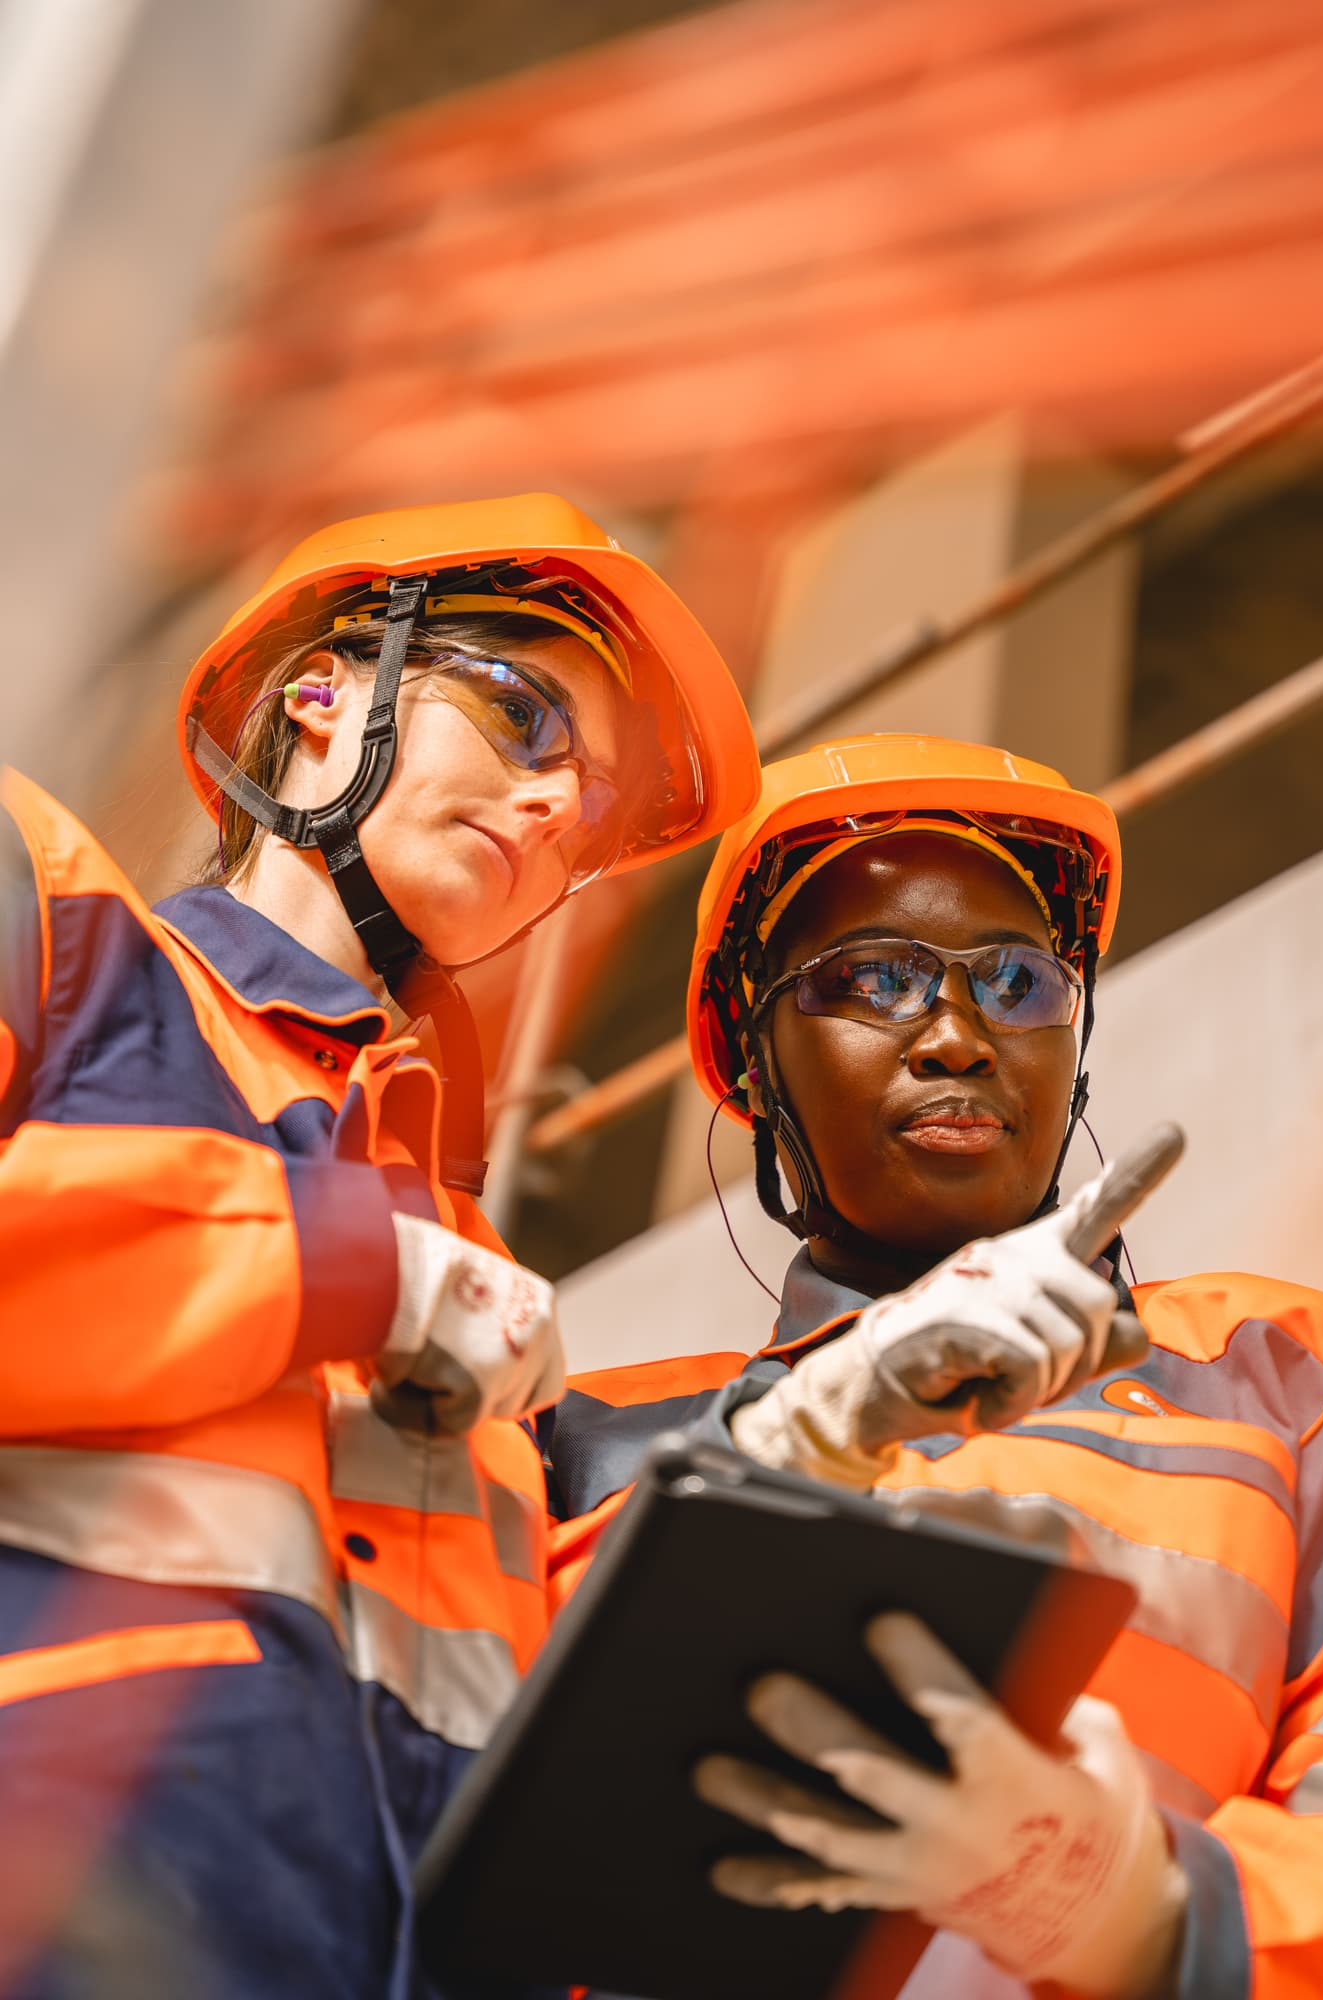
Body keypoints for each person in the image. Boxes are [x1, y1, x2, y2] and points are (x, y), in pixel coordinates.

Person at [0, 492, 759, 2000]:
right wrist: (342, 1263)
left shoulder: (468, 1265)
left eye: (593, 810)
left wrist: (807, 1438)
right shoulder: (57, 934)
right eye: (523, 717)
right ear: (324, 696)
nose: (555, 812)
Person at [544, 731, 1323, 2000]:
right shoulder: (587, 1439)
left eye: (1017, 981)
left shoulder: (1283, 1368)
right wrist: (772, 1447)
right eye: (874, 979)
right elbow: (476, 1821)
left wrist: (1150, 1916)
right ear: (755, 1062)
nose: (958, 1034)